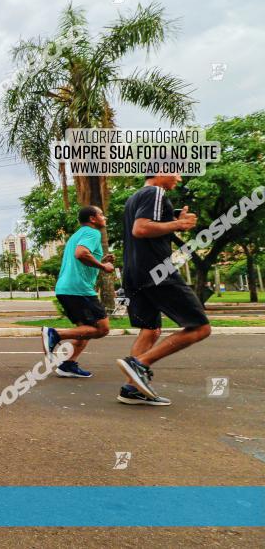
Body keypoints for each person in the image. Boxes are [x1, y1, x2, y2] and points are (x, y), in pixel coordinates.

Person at [116, 174, 211, 406]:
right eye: (176, 171)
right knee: (200, 327)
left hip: (133, 272)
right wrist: (178, 224)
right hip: (157, 271)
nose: (178, 178)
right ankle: (140, 363)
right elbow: (141, 229)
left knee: (150, 330)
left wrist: (172, 219)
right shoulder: (155, 192)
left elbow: (147, 227)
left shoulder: (134, 198)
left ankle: (131, 388)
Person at [41, 206, 114, 377]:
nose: (105, 217)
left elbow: (81, 258)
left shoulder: (77, 235)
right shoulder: (92, 233)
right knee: (102, 328)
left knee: (86, 329)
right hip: (79, 289)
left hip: (66, 288)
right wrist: (104, 266)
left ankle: (68, 364)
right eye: (101, 214)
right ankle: (55, 334)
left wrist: (100, 261)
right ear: (92, 219)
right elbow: (81, 254)